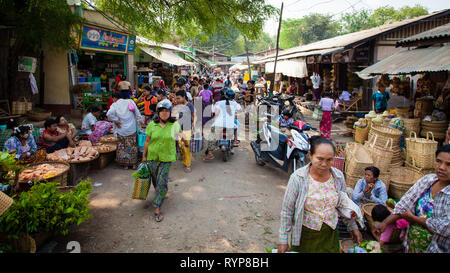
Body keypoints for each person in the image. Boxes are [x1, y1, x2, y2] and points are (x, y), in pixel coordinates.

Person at [278, 136, 363, 253]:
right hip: (305, 235)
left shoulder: (338, 177)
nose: (324, 164)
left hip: (330, 234)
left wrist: (353, 227)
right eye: (320, 159)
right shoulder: (298, 178)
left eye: (329, 160)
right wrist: (283, 240)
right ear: (310, 155)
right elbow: (287, 211)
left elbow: (344, 205)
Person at [374, 144, 450, 253]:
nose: (442, 167)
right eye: (439, 161)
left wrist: (414, 219)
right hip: (412, 245)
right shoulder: (428, 180)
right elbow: (405, 203)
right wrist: (385, 223)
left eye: (448, 164)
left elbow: (446, 228)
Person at [142, 100, 187, 222]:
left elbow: (182, 135)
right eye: (162, 111)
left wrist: (186, 143)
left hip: (166, 158)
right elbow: (147, 141)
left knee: (162, 181)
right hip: (152, 157)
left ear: (170, 113)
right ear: (158, 113)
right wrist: (144, 156)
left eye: (167, 111)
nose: (164, 113)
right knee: (156, 181)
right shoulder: (152, 125)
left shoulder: (174, 125)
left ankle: (157, 207)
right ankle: (161, 192)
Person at [107, 93, 144, 170]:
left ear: (114, 98)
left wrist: (116, 121)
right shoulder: (130, 101)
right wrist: (141, 121)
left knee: (123, 147)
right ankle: (133, 164)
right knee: (132, 146)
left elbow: (109, 114)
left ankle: (125, 165)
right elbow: (137, 112)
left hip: (121, 130)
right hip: (131, 129)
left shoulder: (114, 105)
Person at [204, 89, 241, 160]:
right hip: (230, 126)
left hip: (218, 125)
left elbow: (215, 113)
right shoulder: (234, 103)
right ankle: (235, 141)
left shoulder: (218, 103)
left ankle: (210, 153)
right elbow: (240, 109)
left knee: (211, 137)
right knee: (236, 127)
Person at [175, 90, 195, 173]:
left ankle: (188, 164)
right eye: (176, 98)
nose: (177, 100)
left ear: (184, 97)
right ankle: (184, 160)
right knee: (181, 146)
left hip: (187, 129)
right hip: (180, 129)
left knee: (186, 147)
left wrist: (194, 124)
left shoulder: (190, 105)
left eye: (179, 98)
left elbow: (194, 115)